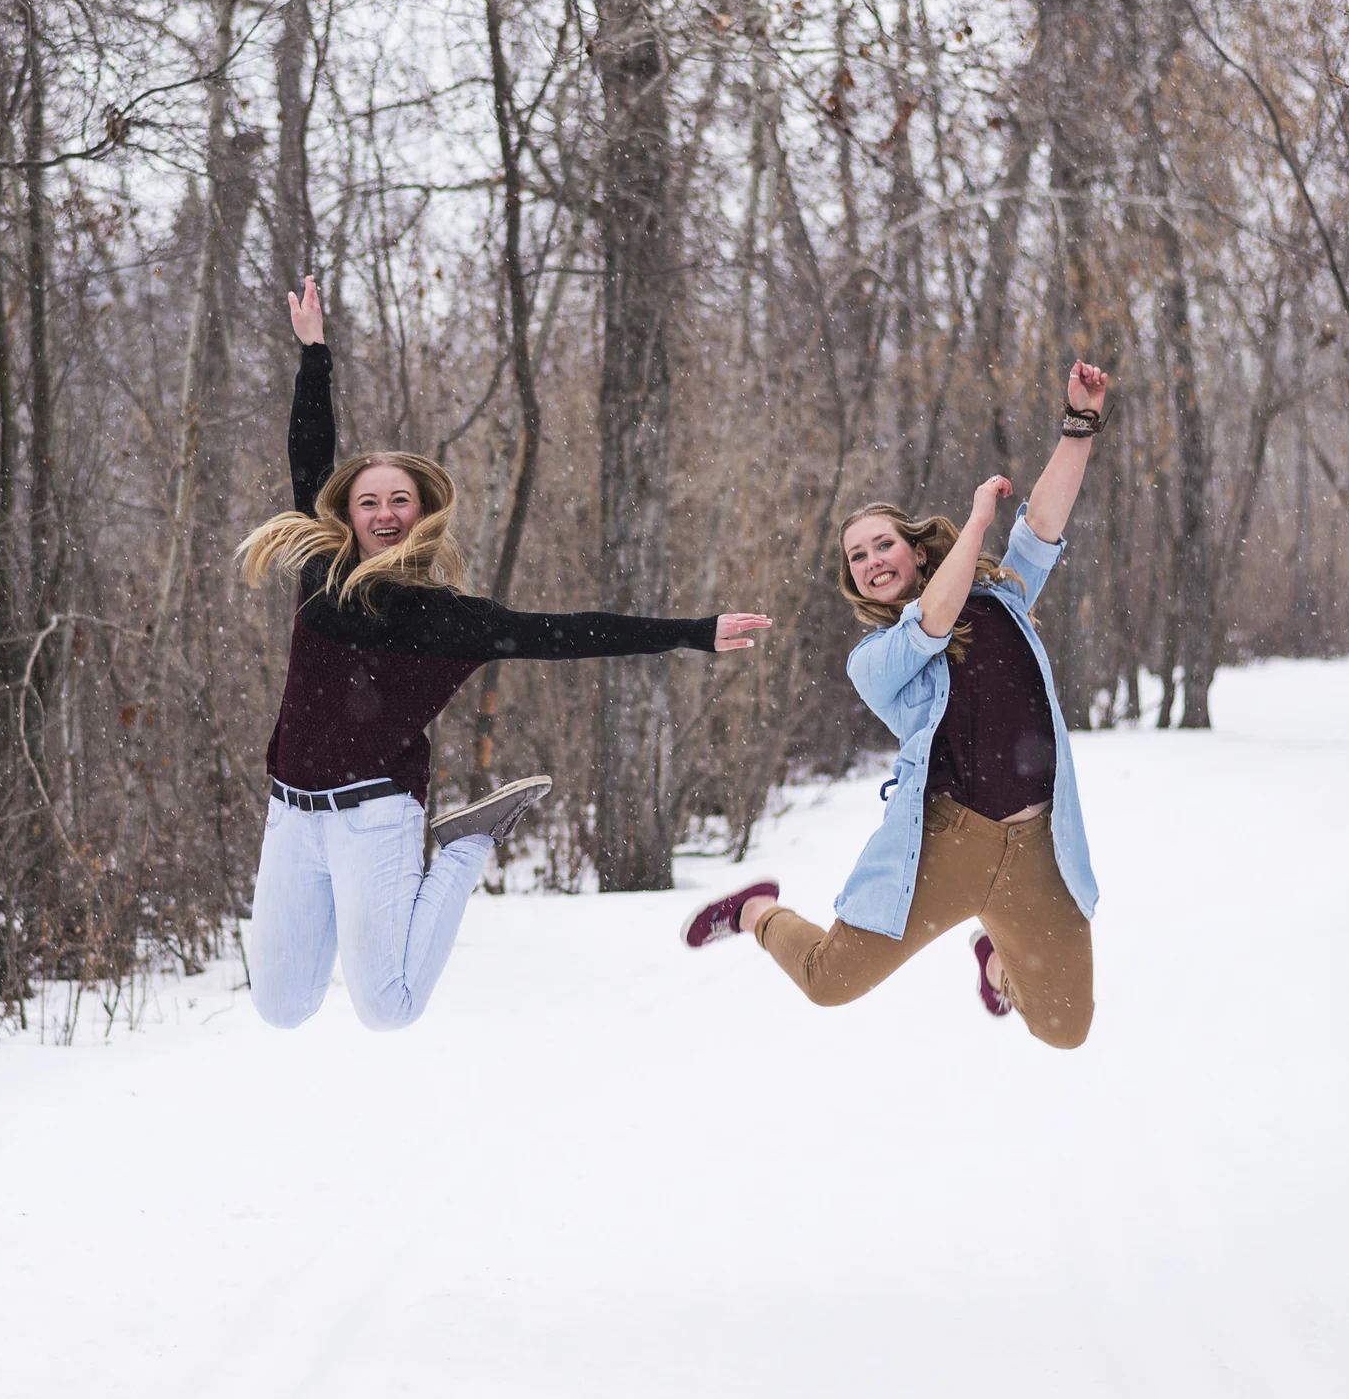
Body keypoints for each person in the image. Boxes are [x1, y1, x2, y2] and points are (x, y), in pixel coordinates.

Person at [238, 277, 772, 1031]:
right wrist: (314, 353)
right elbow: (309, 452)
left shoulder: (453, 621)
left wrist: (693, 630)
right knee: (280, 1006)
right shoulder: (322, 570)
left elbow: (574, 634)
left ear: (422, 513)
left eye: (399, 500)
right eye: (368, 501)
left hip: (374, 815)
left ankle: (465, 845)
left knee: (388, 1008)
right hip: (291, 814)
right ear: (347, 514)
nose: (384, 513)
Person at [681, 361, 1111, 1049]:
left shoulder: (1001, 597)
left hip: (1038, 844)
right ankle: (755, 912)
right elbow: (931, 622)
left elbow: (1043, 524)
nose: (872, 560)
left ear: (914, 550)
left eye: (883, 544)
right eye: (857, 557)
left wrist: (1080, 423)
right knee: (827, 982)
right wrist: (976, 523)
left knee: (1065, 1029)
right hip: (949, 843)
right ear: (854, 580)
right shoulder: (875, 659)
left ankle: (995, 959)